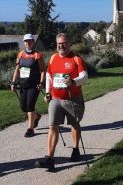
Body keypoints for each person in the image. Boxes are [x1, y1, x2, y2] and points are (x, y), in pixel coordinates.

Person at [35, 33, 88, 172]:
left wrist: (74, 82)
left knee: (74, 124)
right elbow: (49, 76)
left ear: (69, 43)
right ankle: (50, 159)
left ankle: (76, 150)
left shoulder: (76, 58)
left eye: (63, 43)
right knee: (52, 126)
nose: (61, 46)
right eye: (58, 43)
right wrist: (47, 92)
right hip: (55, 99)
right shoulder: (53, 58)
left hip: (73, 98)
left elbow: (84, 76)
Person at [11, 33, 46, 138]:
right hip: (23, 84)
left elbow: (43, 71)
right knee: (23, 107)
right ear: (24, 42)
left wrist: (41, 83)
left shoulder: (37, 55)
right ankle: (37, 116)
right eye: (26, 41)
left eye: (30, 41)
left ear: (33, 42)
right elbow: (17, 69)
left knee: (30, 106)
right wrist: (13, 82)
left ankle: (30, 129)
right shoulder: (20, 54)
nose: (28, 43)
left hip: (34, 85)